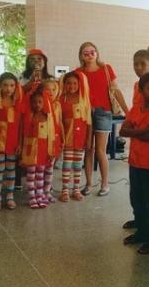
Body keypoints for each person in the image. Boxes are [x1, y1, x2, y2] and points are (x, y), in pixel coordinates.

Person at [120, 73, 149, 254]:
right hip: (135, 162)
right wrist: (142, 131)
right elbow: (123, 130)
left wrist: (135, 130)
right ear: (141, 91)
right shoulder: (136, 108)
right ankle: (141, 231)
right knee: (136, 199)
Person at [76, 42, 129, 197]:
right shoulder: (78, 73)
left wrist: (127, 111)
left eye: (92, 52)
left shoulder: (106, 69)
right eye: (86, 53)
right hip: (85, 114)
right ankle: (88, 184)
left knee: (100, 149)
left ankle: (105, 184)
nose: (90, 55)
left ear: (97, 53)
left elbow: (116, 90)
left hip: (103, 112)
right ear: (81, 56)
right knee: (88, 149)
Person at [0, 72, 23, 211]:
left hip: (13, 142)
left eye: (12, 85)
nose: (9, 89)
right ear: (0, 87)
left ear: (16, 87)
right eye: (5, 85)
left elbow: (20, 126)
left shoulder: (17, 104)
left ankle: (9, 197)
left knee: (11, 170)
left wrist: (19, 143)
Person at [19, 87, 58, 208]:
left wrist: (52, 150)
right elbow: (22, 133)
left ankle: (40, 195)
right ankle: (32, 197)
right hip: (30, 151)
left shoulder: (48, 117)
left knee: (41, 174)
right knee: (30, 175)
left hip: (43, 151)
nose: (37, 104)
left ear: (44, 102)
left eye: (40, 102)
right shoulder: (28, 117)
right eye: (35, 102)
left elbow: (52, 135)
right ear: (31, 103)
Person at [58, 71, 91, 202]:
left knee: (78, 165)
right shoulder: (61, 100)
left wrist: (88, 139)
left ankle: (76, 189)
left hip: (81, 138)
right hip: (67, 138)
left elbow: (89, 122)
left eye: (74, 83)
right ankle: (65, 190)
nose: (72, 86)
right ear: (64, 84)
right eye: (69, 83)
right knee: (67, 164)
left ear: (79, 84)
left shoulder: (84, 100)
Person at [41, 78, 63, 203]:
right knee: (41, 167)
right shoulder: (40, 104)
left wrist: (62, 138)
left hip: (54, 140)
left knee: (50, 167)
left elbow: (59, 123)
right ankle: (39, 191)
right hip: (42, 141)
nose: (51, 92)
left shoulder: (58, 105)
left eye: (53, 89)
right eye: (47, 89)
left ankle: (47, 190)